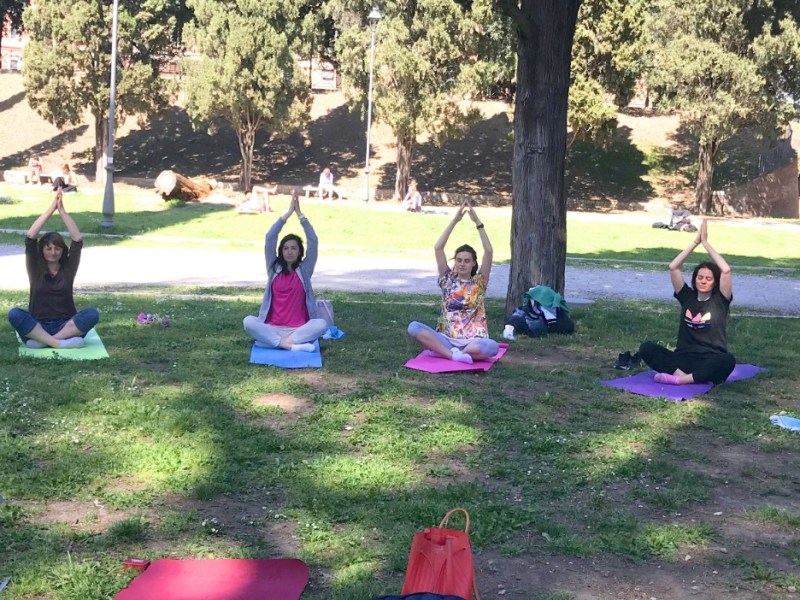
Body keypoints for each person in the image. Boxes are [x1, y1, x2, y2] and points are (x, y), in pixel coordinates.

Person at [638, 219, 735, 385]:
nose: (703, 281)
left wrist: (706, 243)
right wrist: (695, 242)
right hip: (683, 358)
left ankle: (680, 380)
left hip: (710, 359)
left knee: (728, 361)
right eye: (700, 277)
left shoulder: (720, 300)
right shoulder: (687, 297)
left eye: (709, 279)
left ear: (715, 282)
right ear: (695, 279)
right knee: (646, 348)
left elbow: (725, 270)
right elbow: (673, 267)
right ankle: (687, 377)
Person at [407, 200, 499, 364]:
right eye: (459, 260)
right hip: (446, 338)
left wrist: (478, 223)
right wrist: (455, 220)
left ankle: (451, 353)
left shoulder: (479, 282)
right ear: (455, 262)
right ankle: (452, 355)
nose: (462, 263)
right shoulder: (447, 280)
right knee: (414, 327)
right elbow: (438, 248)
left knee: (492, 347)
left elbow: (489, 251)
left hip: (473, 341)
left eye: (466, 260)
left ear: (473, 264)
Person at [7, 189, 99, 349]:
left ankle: (46, 342)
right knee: (14, 314)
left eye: (57, 249)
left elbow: (77, 239)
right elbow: (30, 237)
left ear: (63, 251)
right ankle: (58, 344)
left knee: (92, 314)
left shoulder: (68, 269)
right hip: (37, 326)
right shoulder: (35, 268)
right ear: (42, 250)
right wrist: (51, 209)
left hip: (65, 327)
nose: (53, 252)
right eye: (48, 248)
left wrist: (62, 211)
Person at [243, 192, 327, 351]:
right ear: (281, 251)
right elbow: (270, 237)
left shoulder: (305, 270)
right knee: (248, 321)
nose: (289, 252)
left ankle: (276, 343)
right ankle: (289, 346)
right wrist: (287, 214)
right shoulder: (273, 268)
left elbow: (313, 241)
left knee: (321, 324)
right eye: (286, 248)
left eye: (294, 248)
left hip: (298, 330)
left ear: (299, 251)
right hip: (272, 327)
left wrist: (300, 215)